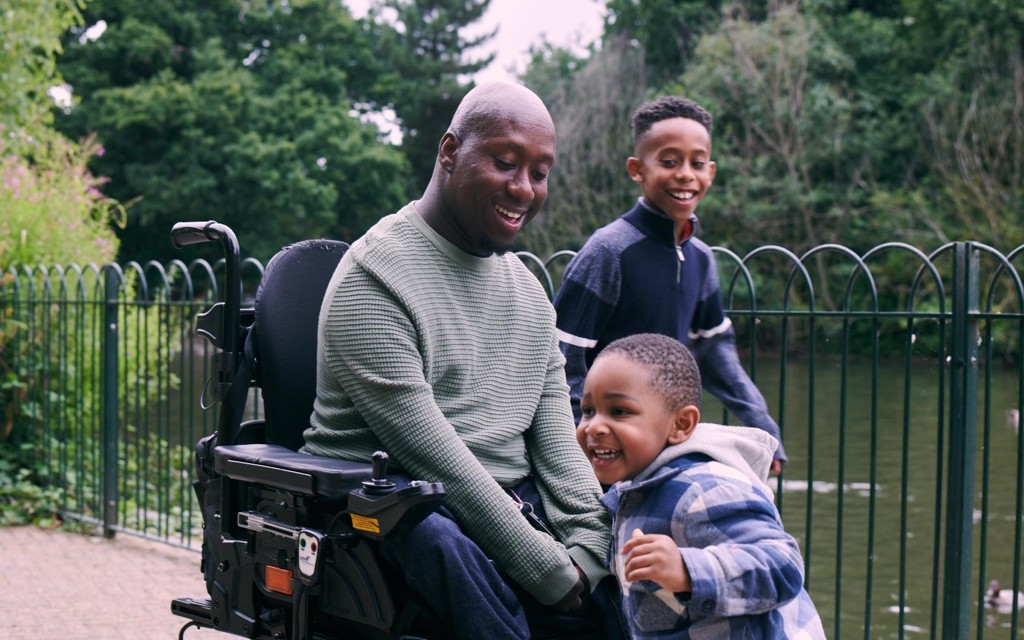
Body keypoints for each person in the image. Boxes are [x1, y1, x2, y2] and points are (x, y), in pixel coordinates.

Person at [301, 81, 619, 640]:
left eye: (540, 173)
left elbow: (555, 445)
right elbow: (435, 460)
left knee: (625, 566)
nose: (524, 189)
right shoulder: (374, 280)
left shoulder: (528, 293)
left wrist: (592, 545)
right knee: (438, 537)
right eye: (505, 162)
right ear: (450, 151)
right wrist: (548, 569)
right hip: (384, 509)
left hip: (506, 505)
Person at [553, 95, 787, 473]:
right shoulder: (608, 252)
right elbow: (561, 359)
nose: (684, 174)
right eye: (668, 161)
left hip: (664, 444)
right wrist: (583, 448)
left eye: (696, 163)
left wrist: (762, 425)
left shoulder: (701, 258)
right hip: (604, 452)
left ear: (710, 172)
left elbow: (715, 353)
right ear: (637, 169)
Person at [577, 332, 825, 639]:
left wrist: (689, 570)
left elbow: (784, 565)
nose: (594, 426)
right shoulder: (633, 491)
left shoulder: (703, 489)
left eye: (619, 412)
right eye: (588, 410)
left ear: (681, 425)